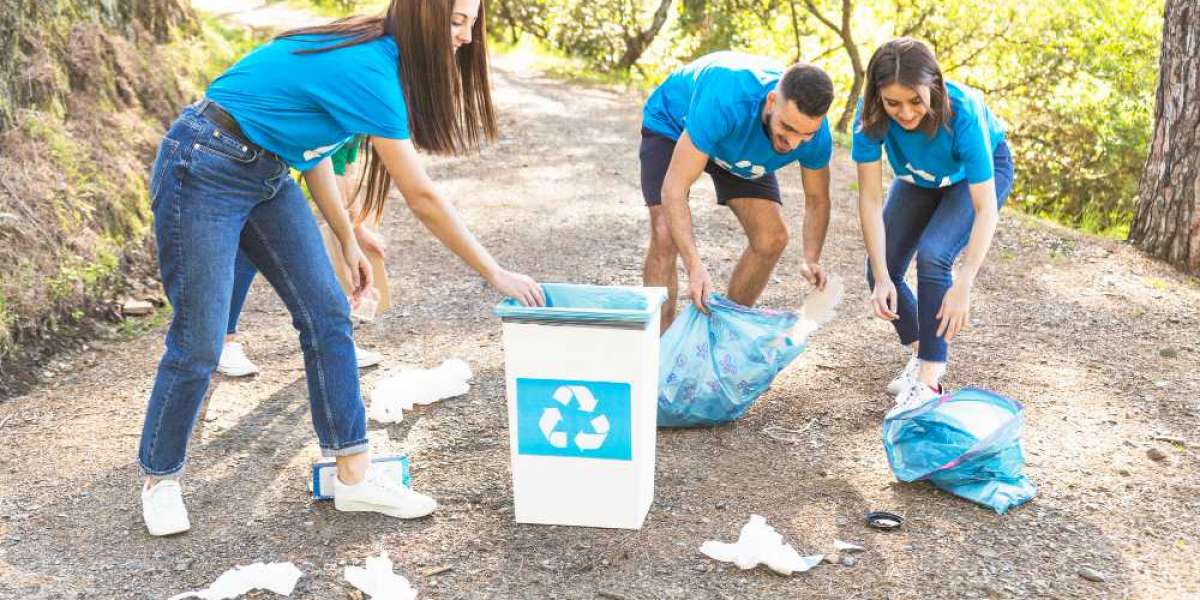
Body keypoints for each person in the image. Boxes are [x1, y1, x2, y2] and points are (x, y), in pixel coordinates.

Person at [138, 0, 544, 537]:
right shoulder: (371, 66)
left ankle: (353, 474)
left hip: (268, 172)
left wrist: (347, 238)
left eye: (471, 23)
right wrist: (495, 272)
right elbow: (420, 195)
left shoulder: (383, 61)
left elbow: (313, 149)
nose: (466, 37)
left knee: (328, 315)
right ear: (422, 19)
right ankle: (160, 479)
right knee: (200, 340)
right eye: (455, 22)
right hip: (204, 162)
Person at [852, 38, 1013, 408]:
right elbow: (870, 199)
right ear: (878, 97)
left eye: (915, 101)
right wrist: (880, 276)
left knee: (934, 253)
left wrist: (965, 281)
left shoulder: (963, 112)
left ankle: (928, 383)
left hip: (976, 175)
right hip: (919, 178)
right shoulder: (871, 116)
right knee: (884, 267)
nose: (905, 113)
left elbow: (985, 207)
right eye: (893, 103)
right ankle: (922, 350)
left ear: (934, 86)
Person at [640, 51, 835, 332]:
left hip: (736, 147)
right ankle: (659, 344)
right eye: (787, 128)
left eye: (805, 135)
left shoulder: (815, 137)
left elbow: (817, 199)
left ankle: (722, 333)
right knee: (665, 233)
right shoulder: (727, 96)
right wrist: (695, 266)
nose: (792, 144)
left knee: (771, 238)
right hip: (675, 122)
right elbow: (674, 188)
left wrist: (811, 256)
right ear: (771, 102)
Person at [217, 136, 385, 377]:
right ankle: (223, 341)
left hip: (278, 173)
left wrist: (359, 231)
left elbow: (348, 174)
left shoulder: (357, 124)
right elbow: (334, 186)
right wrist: (349, 238)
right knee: (252, 250)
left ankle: (224, 339)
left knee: (249, 251)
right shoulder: (341, 117)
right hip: (248, 162)